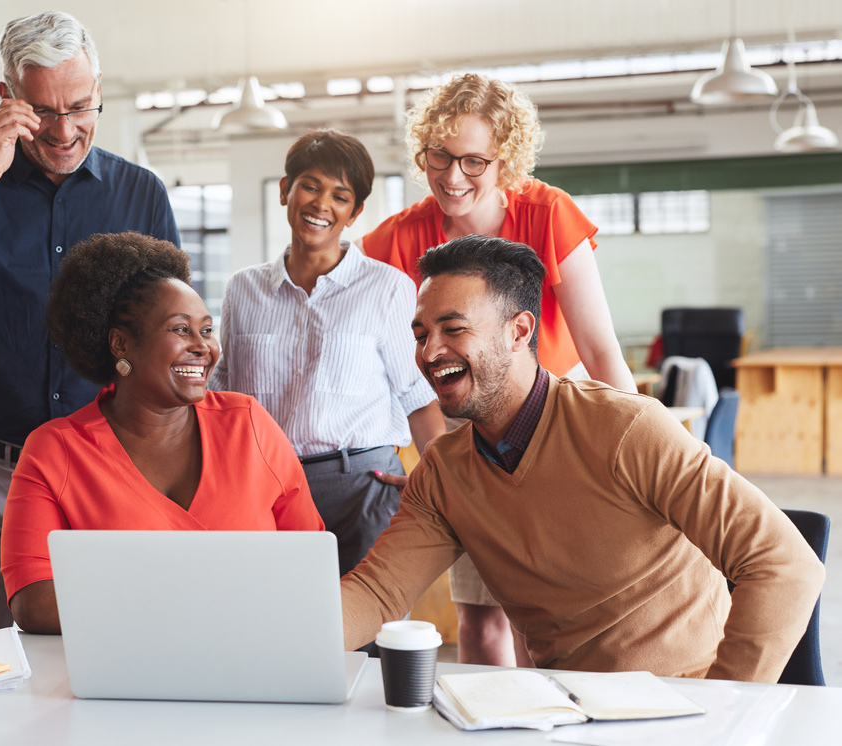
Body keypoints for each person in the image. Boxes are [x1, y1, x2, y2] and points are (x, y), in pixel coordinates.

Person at [341, 235, 824, 683]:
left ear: (520, 331)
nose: (429, 352)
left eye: (453, 329)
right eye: (421, 334)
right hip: (567, 712)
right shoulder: (443, 473)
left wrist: (725, 709)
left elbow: (785, 564)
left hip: (686, 703)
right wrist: (279, 636)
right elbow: (377, 593)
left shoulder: (627, 429)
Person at [0, 11, 180, 628]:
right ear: (7, 99)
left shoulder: (140, 195)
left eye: (80, 106)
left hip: (103, 473)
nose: (64, 130)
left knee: (108, 660)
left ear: (99, 88)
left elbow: (170, 337)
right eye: (42, 111)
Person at [362, 73, 635, 665]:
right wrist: (425, 456)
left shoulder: (549, 215)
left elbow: (601, 352)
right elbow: (376, 356)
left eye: (474, 161)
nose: (452, 176)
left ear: (506, 158)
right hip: (459, 430)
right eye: (439, 155)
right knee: (479, 622)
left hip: (551, 421)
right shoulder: (395, 238)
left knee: (540, 619)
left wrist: (641, 448)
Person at [1, 233, 324, 634]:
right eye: (180, 330)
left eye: (206, 330)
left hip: (252, 659)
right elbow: (34, 601)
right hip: (119, 679)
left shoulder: (248, 424)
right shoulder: (55, 450)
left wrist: (131, 596)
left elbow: (310, 562)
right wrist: (214, 599)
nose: (202, 347)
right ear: (121, 344)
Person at [209, 129, 444, 588]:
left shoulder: (388, 288)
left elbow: (417, 397)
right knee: (276, 628)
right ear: (285, 191)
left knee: (372, 635)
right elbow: (222, 395)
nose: (321, 205)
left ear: (354, 213)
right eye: (311, 186)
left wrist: (438, 485)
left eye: (340, 196)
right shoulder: (244, 289)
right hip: (266, 488)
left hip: (362, 486)